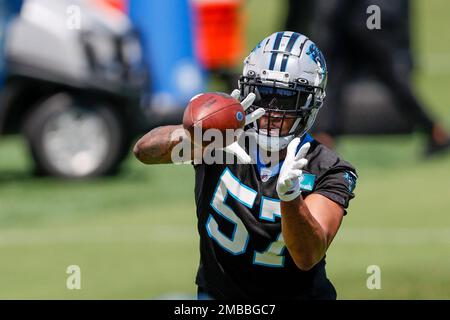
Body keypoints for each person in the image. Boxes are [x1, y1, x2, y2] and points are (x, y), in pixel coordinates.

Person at [134, 31, 358, 299]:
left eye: (286, 98)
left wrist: (291, 197)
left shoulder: (329, 169)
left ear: (310, 104)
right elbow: (144, 151)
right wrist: (201, 134)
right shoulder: (220, 142)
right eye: (264, 94)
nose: (273, 111)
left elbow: (307, 255)